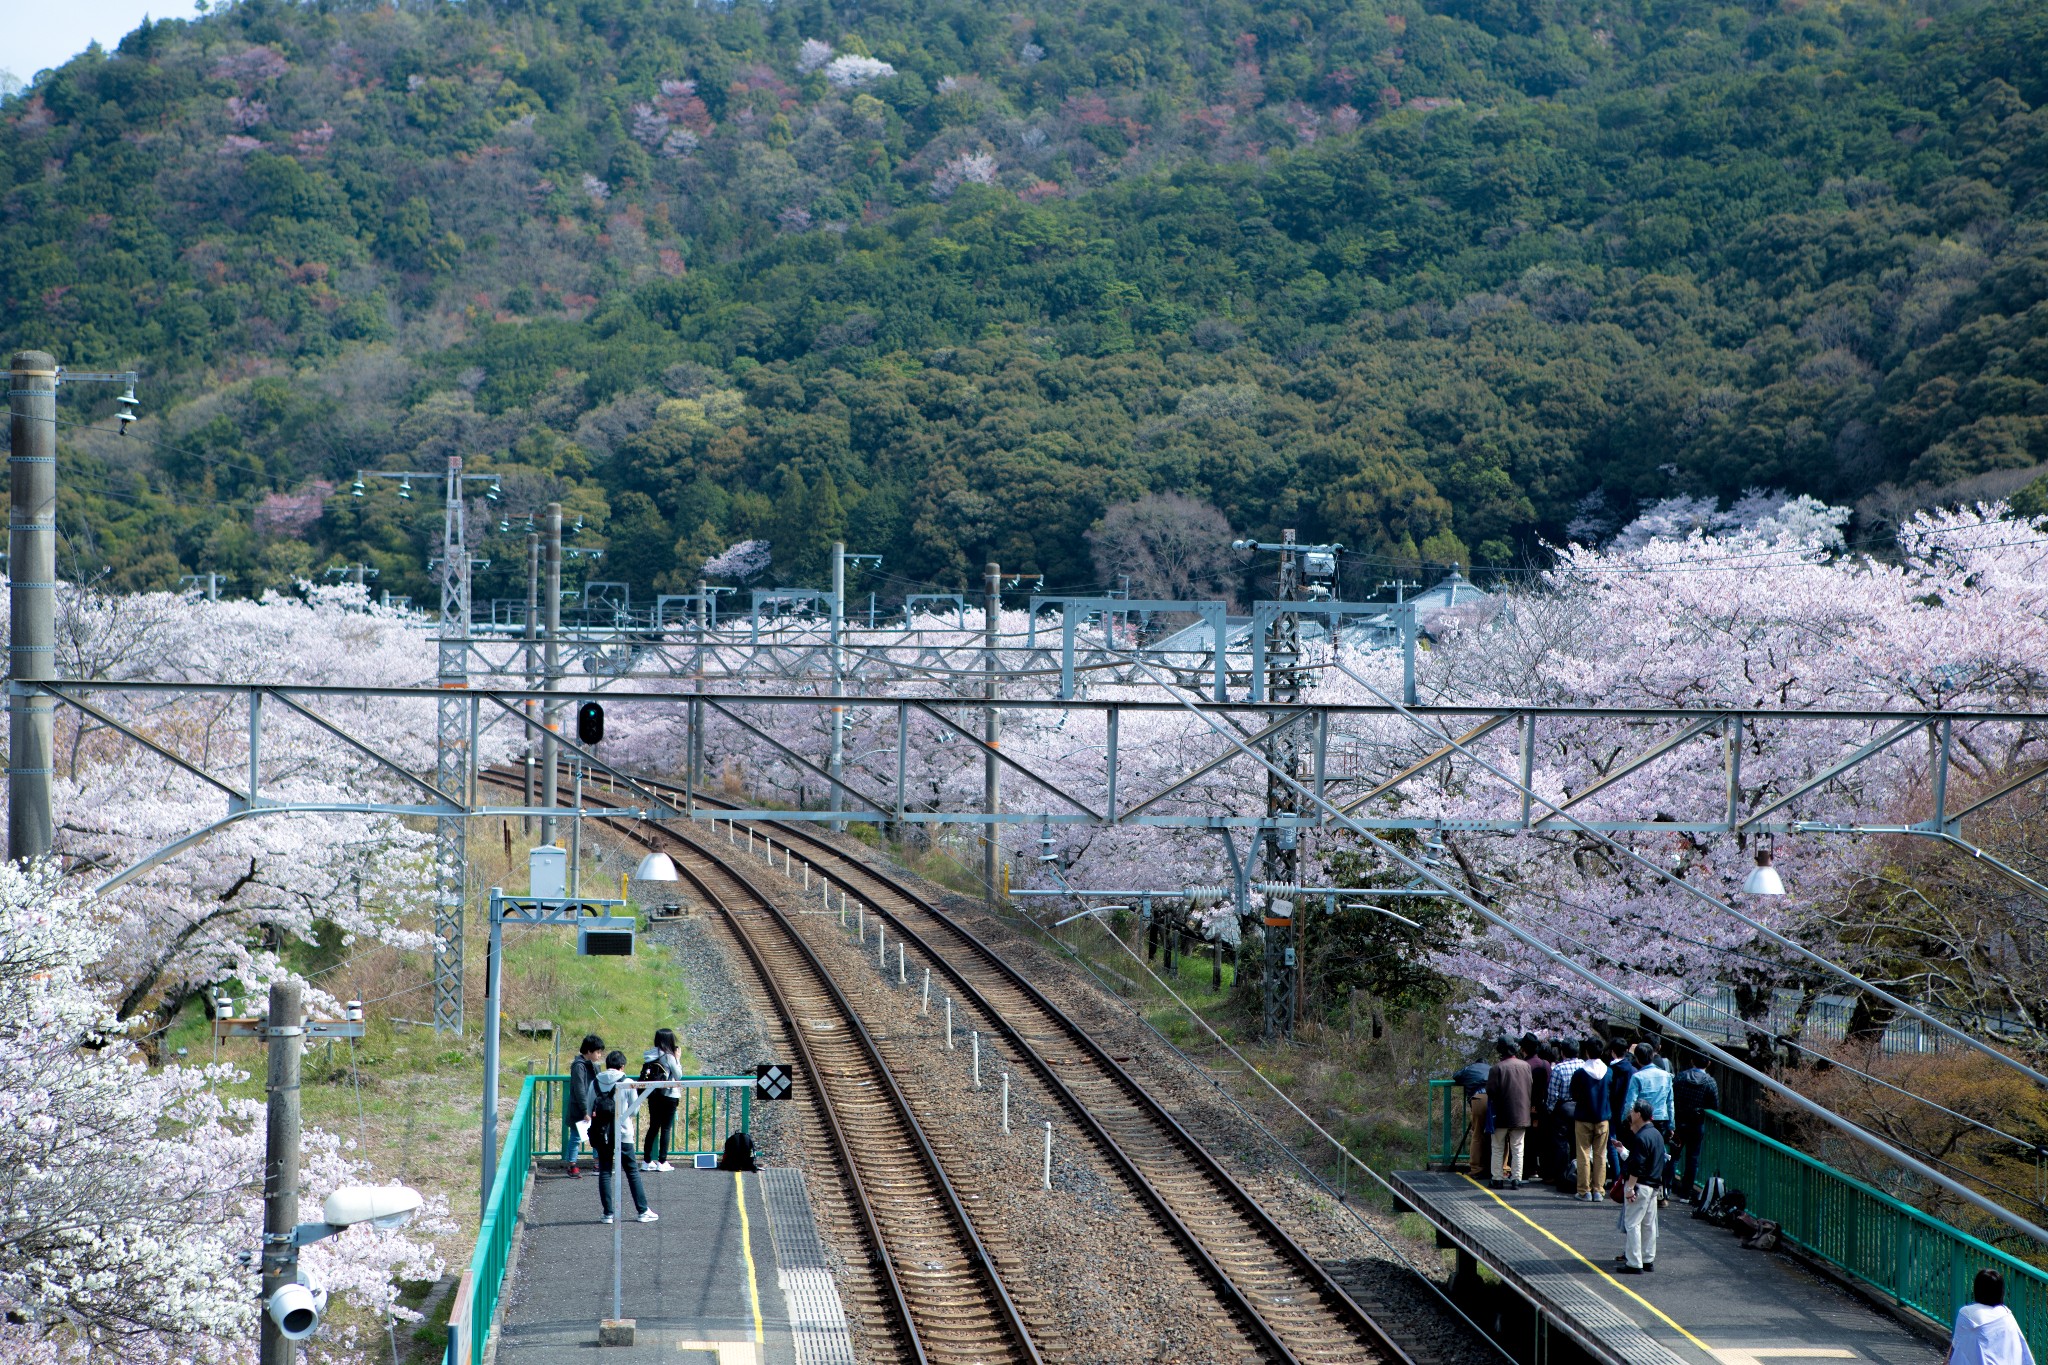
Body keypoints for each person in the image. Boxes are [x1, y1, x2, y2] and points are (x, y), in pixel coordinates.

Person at [591, 1050, 657, 1224]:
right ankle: (642, 1210)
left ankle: (608, 1214)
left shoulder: (595, 1082)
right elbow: (634, 1111)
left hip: (602, 1134)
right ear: (622, 1066)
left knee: (605, 1171)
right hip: (623, 1131)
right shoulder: (627, 1082)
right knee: (631, 1171)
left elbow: (591, 1106)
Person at [1949, 1269, 2037, 1365]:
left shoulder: (1967, 1313)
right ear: (2000, 1291)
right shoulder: (2006, 1313)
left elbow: (1957, 1346)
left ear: (1977, 1289)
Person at [1616, 1101, 1666, 1273]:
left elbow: (1637, 1166)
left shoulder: (1641, 1137)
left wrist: (1629, 1188)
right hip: (1653, 1186)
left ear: (1638, 1114)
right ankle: (1647, 1259)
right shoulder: (1656, 1135)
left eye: (1632, 1111)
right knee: (1648, 1225)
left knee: (1632, 1224)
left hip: (1640, 1186)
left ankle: (1634, 1262)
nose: (1630, 1114)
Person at [1487, 1037, 1534, 1189]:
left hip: (1501, 1114)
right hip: (1521, 1114)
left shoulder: (1497, 1068)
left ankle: (1497, 1178)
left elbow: (1490, 1091)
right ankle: (1516, 1179)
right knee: (1518, 1147)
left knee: (1498, 1146)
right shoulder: (1526, 1066)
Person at [1673, 1058, 1721, 1199]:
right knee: (1693, 1159)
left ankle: (1665, 1189)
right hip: (1697, 1124)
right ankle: (1685, 1194)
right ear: (1709, 1063)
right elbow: (1714, 1105)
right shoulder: (1710, 1082)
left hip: (1679, 1122)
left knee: (1673, 1156)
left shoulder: (1681, 1077)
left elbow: (1672, 1096)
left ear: (1692, 1061)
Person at [1569, 1038, 1610, 1201]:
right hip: (1602, 1118)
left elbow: (1573, 1094)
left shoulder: (1580, 1073)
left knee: (1583, 1154)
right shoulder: (1609, 1072)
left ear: (1586, 1052)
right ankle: (1598, 1190)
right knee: (1600, 1154)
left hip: (1583, 1117)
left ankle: (1584, 1190)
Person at [639, 1028, 684, 1172]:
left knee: (653, 1127)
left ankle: (646, 1161)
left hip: (654, 1094)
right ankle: (662, 1161)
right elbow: (678, 1075)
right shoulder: (669, 1056)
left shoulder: (650, 1055)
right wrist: (677, 1058)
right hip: (669, 1095)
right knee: (666, 1128)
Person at [1548, 1038, 1588, 1192]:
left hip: (1563, 1109)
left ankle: (1563, 1177)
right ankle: (1580, 1175)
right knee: (1580, 1143)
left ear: (1562, 1052)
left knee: (1561, 1145)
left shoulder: (1558, 1069)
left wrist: (1551, 1109)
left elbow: (1552, 1094)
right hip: (1581, 1108)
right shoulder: (1584, 1066)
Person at [564, 1034, 604, 1178]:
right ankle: (572, 1165)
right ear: (589, 1051)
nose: (599, 1055)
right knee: (576, 1137)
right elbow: (580, 1089)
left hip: (591, 1107)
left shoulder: (592, 1065)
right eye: (598, 1052)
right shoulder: (579, 1066)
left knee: (597, 1136)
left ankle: (598, 1163)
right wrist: (585, 1110)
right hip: (580, 1109)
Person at [1453, 1056, 1492, 1177]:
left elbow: (1456, 1076)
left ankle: (1476, 1168)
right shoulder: (1492, 1068)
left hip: (1478, 1099)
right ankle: (1500, 1168)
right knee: (1497, 1135)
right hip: (1494, 1100)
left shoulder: (1470, 1069)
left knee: (1477, 1134)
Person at [1522, 1036, 1553, 1182]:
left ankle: (1529, 1168)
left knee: (1528, 1140)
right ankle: (1545, 1170)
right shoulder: (1545, 1064)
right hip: (1543, 1107)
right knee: (1544, 1140)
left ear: (1524, 1049)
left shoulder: (1524, 1065)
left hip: (1527, 1107)